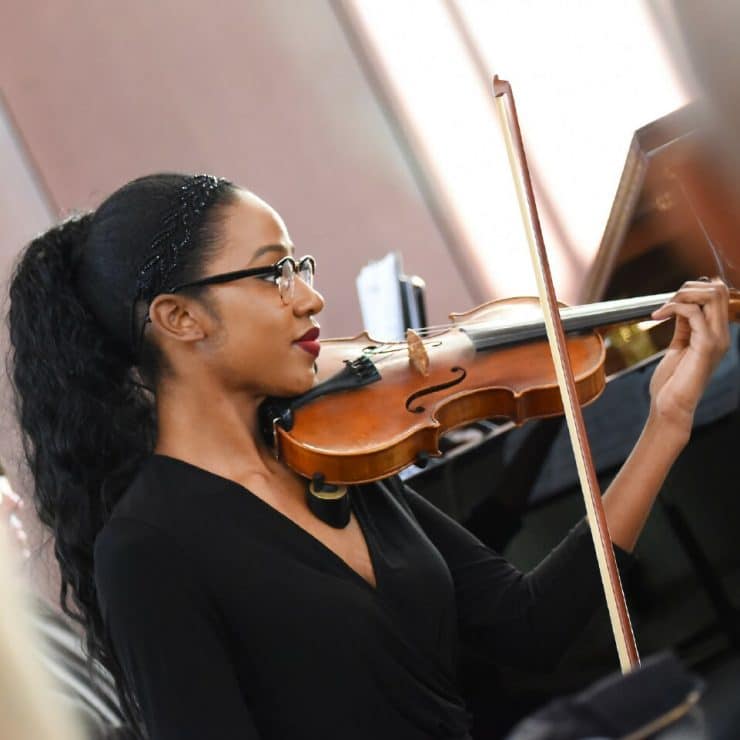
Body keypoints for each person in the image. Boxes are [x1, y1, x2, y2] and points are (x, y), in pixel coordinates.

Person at [7, 173, 729, 740]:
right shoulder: (146, 549)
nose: (311, 297)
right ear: (179, 317)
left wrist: (666, 422)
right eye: (274, 273)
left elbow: (527, 626)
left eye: (301, 265)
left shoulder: (331, 454)